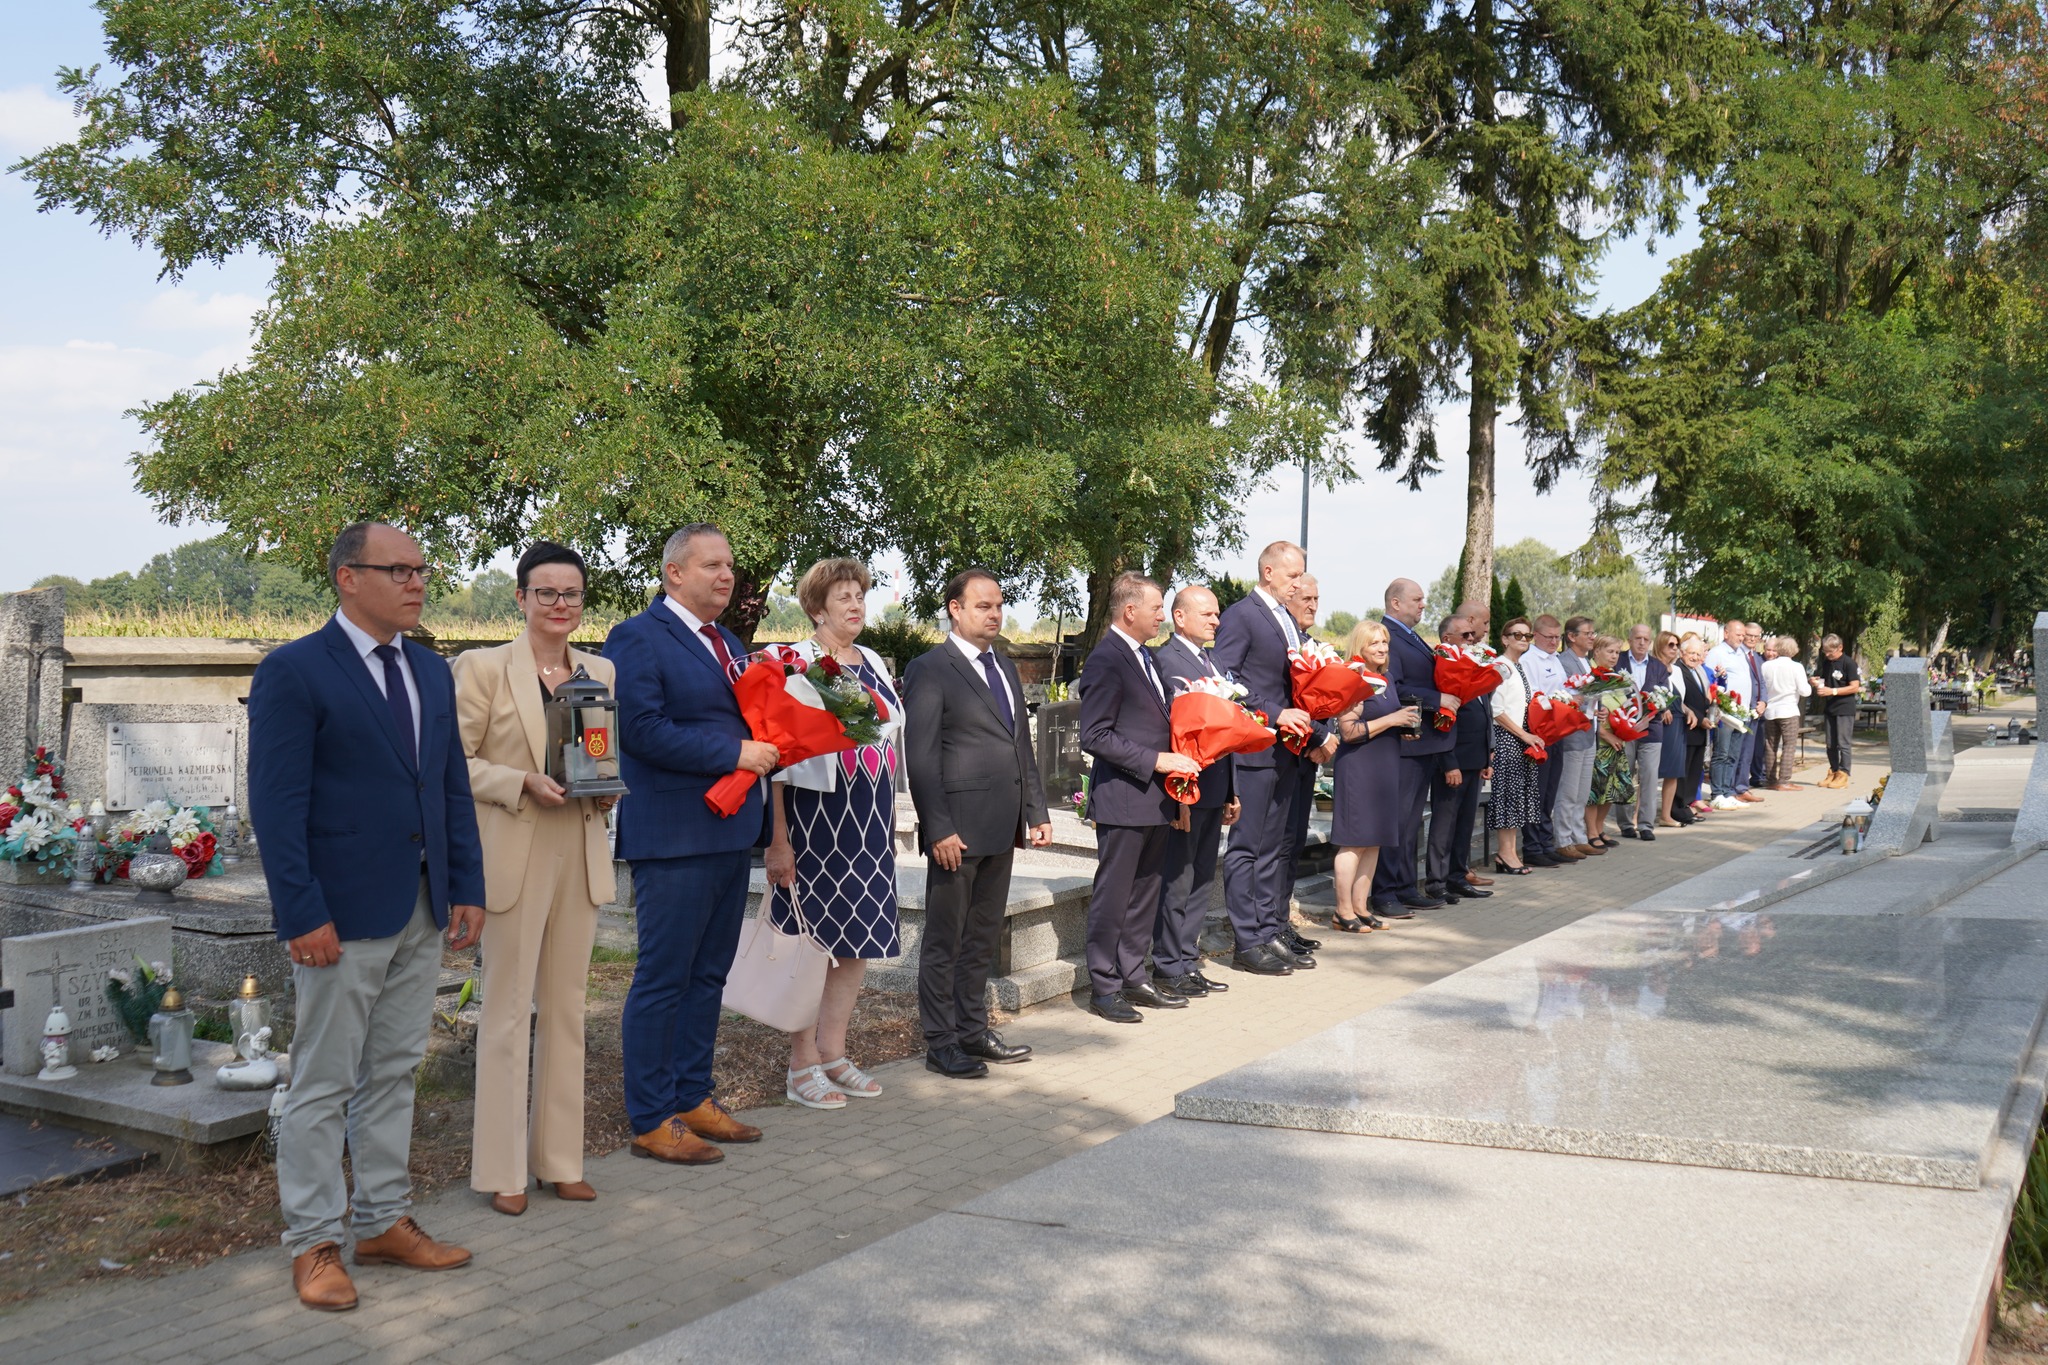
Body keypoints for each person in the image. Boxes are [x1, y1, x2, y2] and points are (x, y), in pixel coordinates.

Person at [249, 521, 486, 1311]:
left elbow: (449, 786)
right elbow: (277, 806)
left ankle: (382, 1220)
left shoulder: (429, 669)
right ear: (348, 577)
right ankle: (313, 1241)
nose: (417, 582)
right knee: (321, 1081)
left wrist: (466, 885)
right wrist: (301, 910)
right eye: (399, 569)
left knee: (391, 1071)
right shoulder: (295, 671)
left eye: (422, 568)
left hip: (421, 905)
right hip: (339, 914)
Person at [454, 541, 617, 1217]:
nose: (560, 605)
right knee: (506, 1011)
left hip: (578, 850)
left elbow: (604, 751)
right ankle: (502, 1170)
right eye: (546, 592)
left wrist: (605, 790)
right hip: (514, 849)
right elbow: (452, 762)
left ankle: (560, 1160)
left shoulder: (600, 668)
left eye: (572, 593)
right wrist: (519, 779)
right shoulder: (483, 667)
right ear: (520, 597)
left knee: (569, 1010)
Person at [607, 523, 773, 1166]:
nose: (726, 576)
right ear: (674, 573)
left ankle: (693, 1095)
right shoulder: (638, 637)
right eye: (711, 566)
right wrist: (734, 751)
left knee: (708, 975)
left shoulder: (728, 642)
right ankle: (650, 1117)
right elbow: (641, 730)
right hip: (674, 836)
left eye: (729, 565)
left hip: (729, 832)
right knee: (663, 977)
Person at [762, 558, 906, 1110]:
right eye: (842, 597)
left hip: (868, 822)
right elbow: (776, 757)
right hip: (813, 824)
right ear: (817, 607)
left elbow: (885, 737)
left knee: (855, 944)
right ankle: (801, 1067)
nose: (855, 606)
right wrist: (779, 839)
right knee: (809, 948)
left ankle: (834, 1053)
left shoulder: (869, 660)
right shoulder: (792, 661)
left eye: (859, 597)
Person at [902, 568, 1053, 1077]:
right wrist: (938, 827)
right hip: (957, 831)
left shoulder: (1005, 667)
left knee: (982, 936)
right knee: (946, 938)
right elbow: (920, 758)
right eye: (983, 606)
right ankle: (940, 1041)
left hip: (1002, 824)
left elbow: (1019, 745)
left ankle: (972, 1029)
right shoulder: (931, 668)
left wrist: (1036, 810)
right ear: (955, 608)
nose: (994, 614)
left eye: (999, 605)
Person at [1077, 573, 1200, 1023]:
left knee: (1145, 893)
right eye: (1156, 608)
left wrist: (1178, 789)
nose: (1162, 615)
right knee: (1115, 896)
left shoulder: (1146, 657)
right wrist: (1158, 762)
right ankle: (1104, 987)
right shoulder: (1107, 658)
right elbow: (1095, 735)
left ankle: (1134, 975)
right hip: (1124, 799)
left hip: (1156, 801)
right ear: (1130, 611)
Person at [1214, 541, 1324, 974]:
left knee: (1273, 847)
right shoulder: (1243, 614)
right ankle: (1247, 940)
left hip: (1285, 752)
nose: (1298, 584)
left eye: (1301, 576)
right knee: (1247, 847)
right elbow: (1225, 676)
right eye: (1293, 575)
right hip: (1256, 749)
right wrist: (1277, 713)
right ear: (1268, 572)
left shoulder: (1284, 619)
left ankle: (1268, 930)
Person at [1151, 585, 1239, 999]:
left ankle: (1187, 959)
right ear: (1179, 617)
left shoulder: (1213, 661)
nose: (1216, 621)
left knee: (1202, 879)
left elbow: (1228, 731)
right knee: (1178, 880)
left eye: (1218, 614)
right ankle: (1169, 965)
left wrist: (1231, 791)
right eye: (1207, 614)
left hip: (1216, 786)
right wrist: (1178, 796)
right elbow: (1171, 735)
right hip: (1185, 790)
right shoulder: (1166, 661)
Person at [1368, 578, 1456, 919]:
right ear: (1395, 603)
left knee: (1410, 823)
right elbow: (1395, 685)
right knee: (1398, 822)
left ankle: (1405, 885)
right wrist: (1437, 699)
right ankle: (1385, 891)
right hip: (1405, 742)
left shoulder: (1410, 636)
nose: (1423, 605)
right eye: (1417, 599)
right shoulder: (1387, 637)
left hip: (1423, 744)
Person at [1329, 620, 1420, 929]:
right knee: (1354, 841)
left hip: (1385, 765)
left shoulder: (1387, 678)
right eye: (1374, 643)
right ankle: (1342, 911)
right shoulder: (1353, 678)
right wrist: (1392, 719)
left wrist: (1401, 728)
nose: (1382, 648)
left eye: (1384, 643)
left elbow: (1385, 719)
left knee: (1374, 841)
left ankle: (1360, 907)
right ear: (1360, 648)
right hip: (1358, 767)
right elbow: (1349, 731)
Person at [1424, 613, 1494, 904]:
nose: (1472, 639)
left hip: (1475, 760)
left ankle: (1457, 877)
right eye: (1465, 635)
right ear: (1447, 639)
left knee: (1466, 823)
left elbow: (1485, 715)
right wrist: (1448, 762)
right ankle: (1436, 882)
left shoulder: (1473, 668)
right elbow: (1442, 722)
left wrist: (1487, 756)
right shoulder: (1445, 670)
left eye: (1472, 634)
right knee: (1444, 824)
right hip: (1453, 763)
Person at [1486, 617, 1545, 873]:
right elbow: (1497, 711)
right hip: (1508, 739)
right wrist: (1524, 735)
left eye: (1527, 636)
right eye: (1517, 635)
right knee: (1508, 798)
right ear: (1505, 638)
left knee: (1517, 799)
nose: (1523, 639)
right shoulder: (1500, 665)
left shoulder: (1519, 667)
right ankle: (1505, 853)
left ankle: (1509, 853)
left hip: (1521, 738)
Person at [1519, 616, 1578, 865]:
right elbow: (1533, 696)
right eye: (1549, 637)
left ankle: (1545, 841)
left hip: (1557, 731)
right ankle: (1532, 847)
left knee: (1550, 791)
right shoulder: (1529, 659)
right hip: (1539, 731)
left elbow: (1565, 689)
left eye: (1557, 637)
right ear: (1536, 635)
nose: (1554, 642)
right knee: (1537, 791)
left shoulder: (1555, 659)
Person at [1550, 616, 1601, 857]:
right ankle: (1563, 839)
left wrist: (1598, 706)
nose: (1592, 637)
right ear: (1571, 636)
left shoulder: (1588, 662)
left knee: (1582, 790)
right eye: (1587, 633)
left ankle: (1579, 835)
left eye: (1593, 633)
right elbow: (1563, 694)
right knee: (1568, 790)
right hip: (1571, 732)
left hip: (1588, 730)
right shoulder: (1564, 661)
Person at [1583, 635, 1637, 848]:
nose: (1614, 656)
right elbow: (1592, 711)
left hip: (1617, 741)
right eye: (1610, 651)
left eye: (1617, 652)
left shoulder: (1615, 677)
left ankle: (1600, 827)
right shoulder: (1591, 676)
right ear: (1596, 652)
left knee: (1613, 789)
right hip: (1600, 741)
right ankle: (1591, 831)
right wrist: (1606, 735)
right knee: (1596, 790)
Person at [1617, 624, 1669, 842]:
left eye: (1646, 639)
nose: (1641, 642)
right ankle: (1626, 823)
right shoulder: (1618, 661)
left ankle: (1646, 824)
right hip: (1624, 727)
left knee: (1649, 776)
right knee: (1624, 775)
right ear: (1629, 638)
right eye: (1637, 638)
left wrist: (1657, 707)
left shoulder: (1658, 667)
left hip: (1652, 728)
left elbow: (1664, 695)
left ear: (1650, 641)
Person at [1703, 620, 1753, 812]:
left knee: (1733, 754)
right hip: (1725, 713)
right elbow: (1710, 680)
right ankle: (1717, 794)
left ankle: (1727, 792)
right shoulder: (1717, 652)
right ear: (1726, 634)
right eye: (1738, 634)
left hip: (1741, 712)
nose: (1742, 638)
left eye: (1743, 635)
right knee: (1722, 753)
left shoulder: (1741, 652)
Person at [1760, 636, 1812, 791]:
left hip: (1770, 709)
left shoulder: (1767, 666)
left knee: (1770, 745)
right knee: (1789, 745)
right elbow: (1804, 691)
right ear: (1794, 650)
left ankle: (1770, 779)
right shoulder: (1796, 667)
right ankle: (1784, 780)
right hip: (1788, 709)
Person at [1812, 634, 1863, 788]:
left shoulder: (1849, 663)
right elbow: (1821, 678)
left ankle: (1844, 774)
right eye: (1825, 652)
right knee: (1830, 744)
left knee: (1843, 743)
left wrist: (1832, 691)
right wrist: (1814, 682)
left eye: (1830, 652)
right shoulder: (1827, 662)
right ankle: (1833, 771)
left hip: (1844, 708)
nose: (1827, 655)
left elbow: (1855, 686)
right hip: (1830, 708)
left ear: (1840, 648)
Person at [1673, 635, 1714, 825]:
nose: (1696, 657)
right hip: (1687, 727)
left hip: (1700, 728)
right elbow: (1682, 701)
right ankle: (1678, 807)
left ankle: (1688, 804)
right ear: (1682, 653)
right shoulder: (1678, 670)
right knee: (1684, 771)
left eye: (1699, 654)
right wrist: (1700, 719)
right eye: (1692, 653)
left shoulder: (1698, 670)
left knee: (1694, 770)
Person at [1653, 631, 1691, 827]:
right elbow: (1650, 692)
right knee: (1651, 771)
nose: (1675, 648)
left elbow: (1679, 697)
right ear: (1660, 645)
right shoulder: (1653, 667)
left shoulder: (1675, 670)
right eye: (1670, 644)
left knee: (1673, 772)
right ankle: (1637, 816)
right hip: (1660, 724)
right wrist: (1662, 707)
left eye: (1677, 645)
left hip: (1677, 722)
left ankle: (1666, 815)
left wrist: (1688, 710)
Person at [1742, 623, 1771, 798]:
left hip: (1758, 709)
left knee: (1752, 751)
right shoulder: (1739, 656)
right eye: (1749, 635)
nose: (1753, 639)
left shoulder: (1758, 658)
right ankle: (1739, 786)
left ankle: (1744, 785)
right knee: (1741, 752)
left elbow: (1762, 683)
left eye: (1756, 636)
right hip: (1744, 709)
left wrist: (1764, 702)